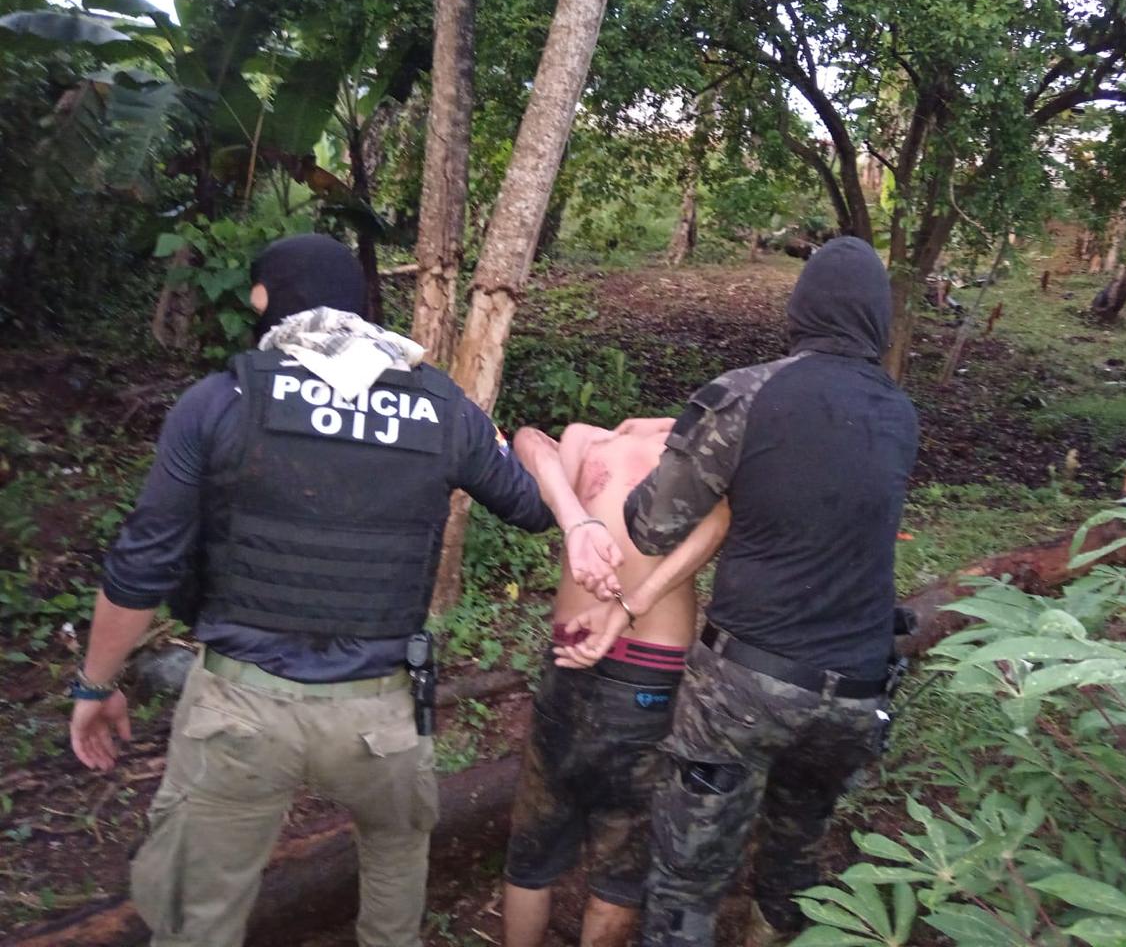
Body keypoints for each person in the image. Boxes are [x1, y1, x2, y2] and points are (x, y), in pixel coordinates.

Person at [66, 233, 622, 947]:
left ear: (267, 301)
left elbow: (143, 564)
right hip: (380, 716)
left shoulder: (222, 399)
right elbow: (528, 507)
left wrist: (96, 685)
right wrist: (560, 468)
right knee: (393, 887)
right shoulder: (438, 405)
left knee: (197, 923)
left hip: (241, 709)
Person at [558, 237, 920, 946]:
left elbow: (654, 525)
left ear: (802, 307)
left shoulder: (749, 393)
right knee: (794, 867)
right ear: (877, 318)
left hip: (746, 690)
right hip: (856, 696)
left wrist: (665, 444)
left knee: (688, 882)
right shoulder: (899, 413)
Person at [502, 419, 730, 947]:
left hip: (571, 656)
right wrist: (578, 523)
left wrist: (575, 518)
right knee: (622, 865)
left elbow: (528, 440)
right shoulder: (686, 449)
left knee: (532, 854)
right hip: (650, 670)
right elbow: (722, 522)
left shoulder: (589, 443)